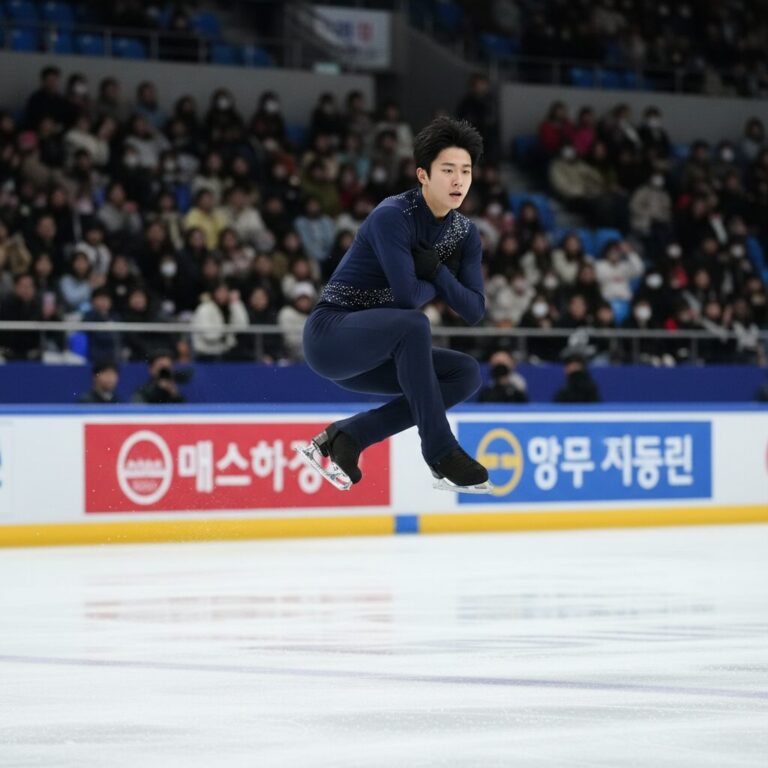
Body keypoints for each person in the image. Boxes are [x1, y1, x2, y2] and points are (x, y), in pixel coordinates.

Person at [299, 116, 490, 492]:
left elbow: (474, 310)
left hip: (382, 353)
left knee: (465, 373)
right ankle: (440, 452)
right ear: (422, 174)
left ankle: (350, 437)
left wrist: (436, 273)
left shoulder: (465, 234)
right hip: (332, 336)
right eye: (448, 170)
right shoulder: (394, 215)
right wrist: (441, 280)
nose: (458, 181)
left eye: (465, 171)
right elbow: (405, 299)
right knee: (413, 324)